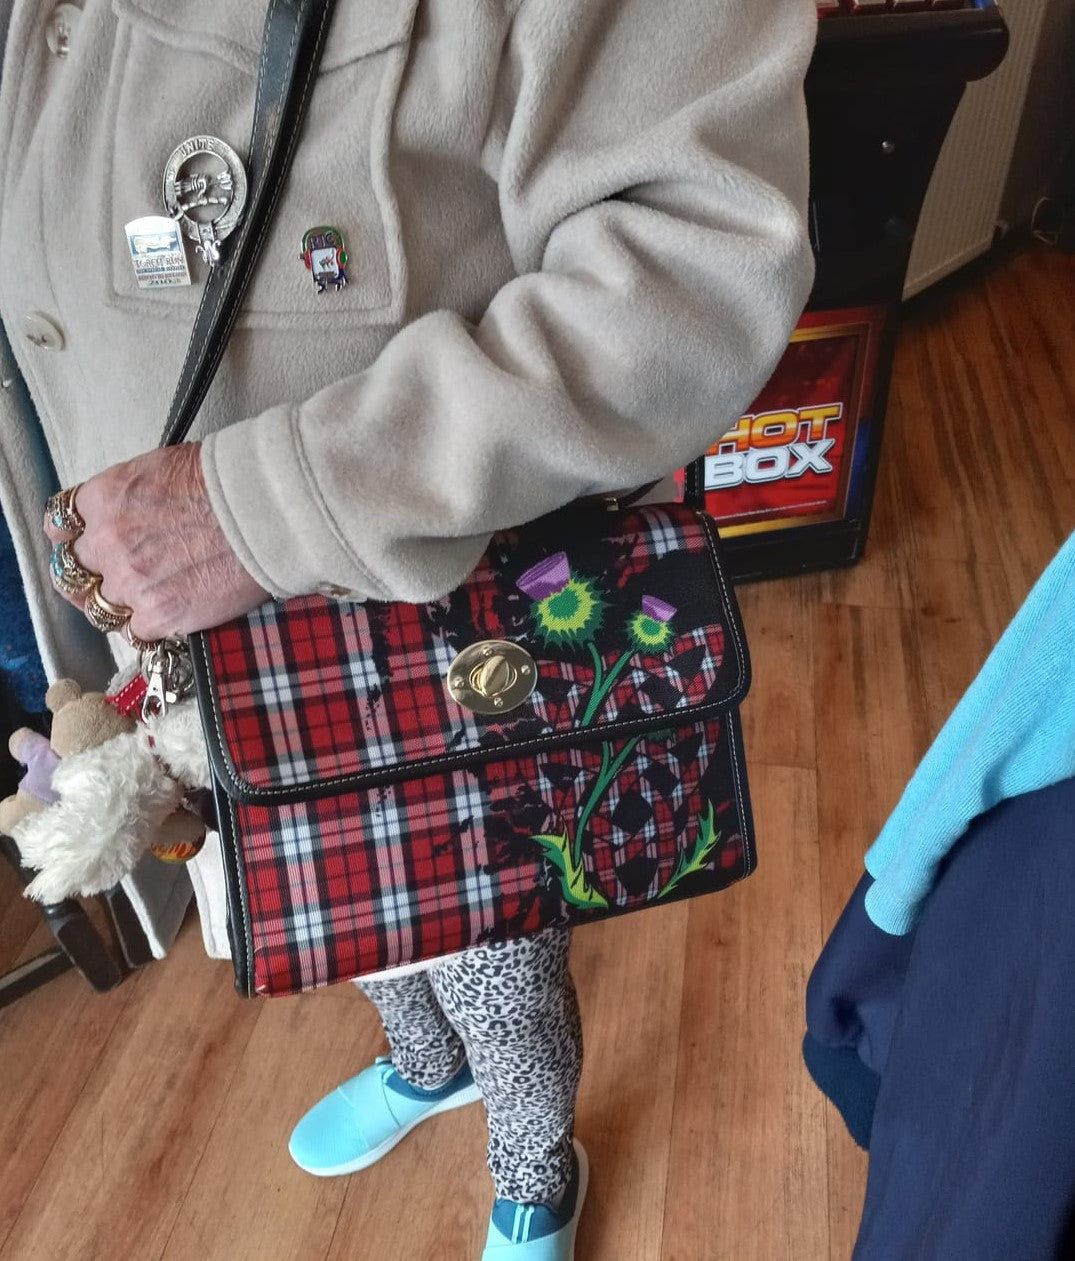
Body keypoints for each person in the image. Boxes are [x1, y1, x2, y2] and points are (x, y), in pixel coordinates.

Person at [0, 2, 816, 1256]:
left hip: (454, 666)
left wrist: (256, 506)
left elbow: (700, 261)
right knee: (351, 916)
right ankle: (423, 1067)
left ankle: (534, 1171)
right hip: (223, 678)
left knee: (498, 959)